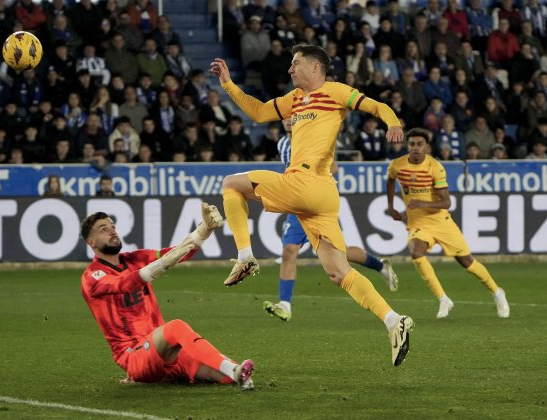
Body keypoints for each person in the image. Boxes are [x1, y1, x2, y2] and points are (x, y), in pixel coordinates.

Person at [210, 44, 414, 366]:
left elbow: (377, 106)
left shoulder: (334, 91)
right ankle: (393, 320)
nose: (290, 70)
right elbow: (259, 112)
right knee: (338, 271)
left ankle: (245, 256)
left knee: (230, 184)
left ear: (316, 67)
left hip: (304, 183)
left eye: (295, 63)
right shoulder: (294, 100)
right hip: (322, 195)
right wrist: (228, 85)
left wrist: (393, 123)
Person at [79, 204, 254, 389]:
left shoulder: (135, 258)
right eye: (103, 229)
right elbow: (124, 284)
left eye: (112, 226)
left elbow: (175, 253)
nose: (112, 231)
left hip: (166, 351)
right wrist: (162, 264)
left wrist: (204, 229)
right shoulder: (92, 276)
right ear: (92, 242)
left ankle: (236, 373)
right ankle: (234, 369)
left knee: (221, 374)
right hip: (135, 357)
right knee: (176, 327)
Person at [263, 117, 399, 322]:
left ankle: (380, 266)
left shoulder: (312, 140)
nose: (289, 121)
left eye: (293, 116)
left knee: (340, 254)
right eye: (285, 117)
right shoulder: (282, 143)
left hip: (318, 203)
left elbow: (333, 167)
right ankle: (285, 304)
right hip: (297, 205)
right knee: (289, 251)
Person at [386, 128, 510, 319]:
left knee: (467, 262)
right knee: (416, 252)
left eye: (420, 144)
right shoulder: (397, 165)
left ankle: (497, 292)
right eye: (412, 144)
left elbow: (446, 202)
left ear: (427, 147)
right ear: (407, 145)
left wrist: (422, 203)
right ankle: (443, 299)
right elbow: (390, 180)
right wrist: (391, 206)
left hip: (441, 222)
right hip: (418, 223)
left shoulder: (435, 168)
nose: (416, 148)